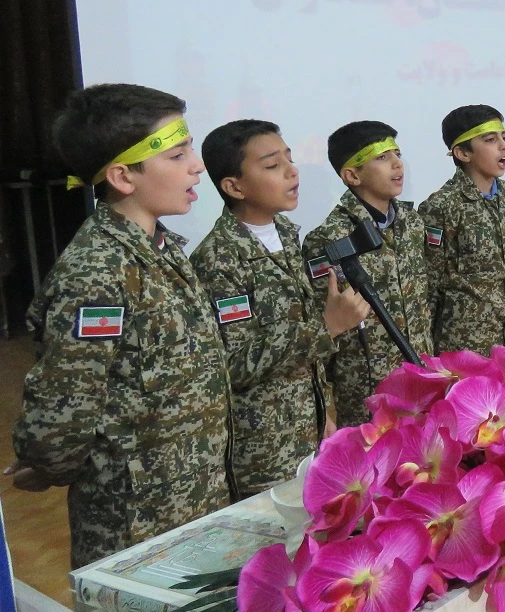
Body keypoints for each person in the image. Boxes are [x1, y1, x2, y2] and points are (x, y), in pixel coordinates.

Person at [7, 83, 232, 567]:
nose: (196, 165)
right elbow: (64, 405)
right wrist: (49, 463)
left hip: (192, 497)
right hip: (135, 520)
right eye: (177, 155)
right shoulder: (97, 273)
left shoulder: (161, 248)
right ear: (123, 177)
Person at [192, 119, 371, 497]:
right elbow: (230, 365)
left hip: (306, 428)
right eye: (273, 165)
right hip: (262, 449)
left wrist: (320, 412)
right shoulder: (218, 259)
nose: (292, 171)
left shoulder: (287, 236)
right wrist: (326, 327)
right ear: (234, 186)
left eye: (290, 159)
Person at [302, 121, 433, 428]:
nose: (397, 163)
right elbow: (321, 324)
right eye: (382, 157)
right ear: (352, 175)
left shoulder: (412, 223)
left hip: (418, 373)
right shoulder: (329, 237)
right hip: (366, 389)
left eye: (397, 154)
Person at [419, 105, 505, 356]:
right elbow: (429, 284)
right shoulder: (442, 205)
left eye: (504, 137)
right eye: (490, 140)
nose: (503, 147)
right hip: (464, 344)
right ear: (463, 153)